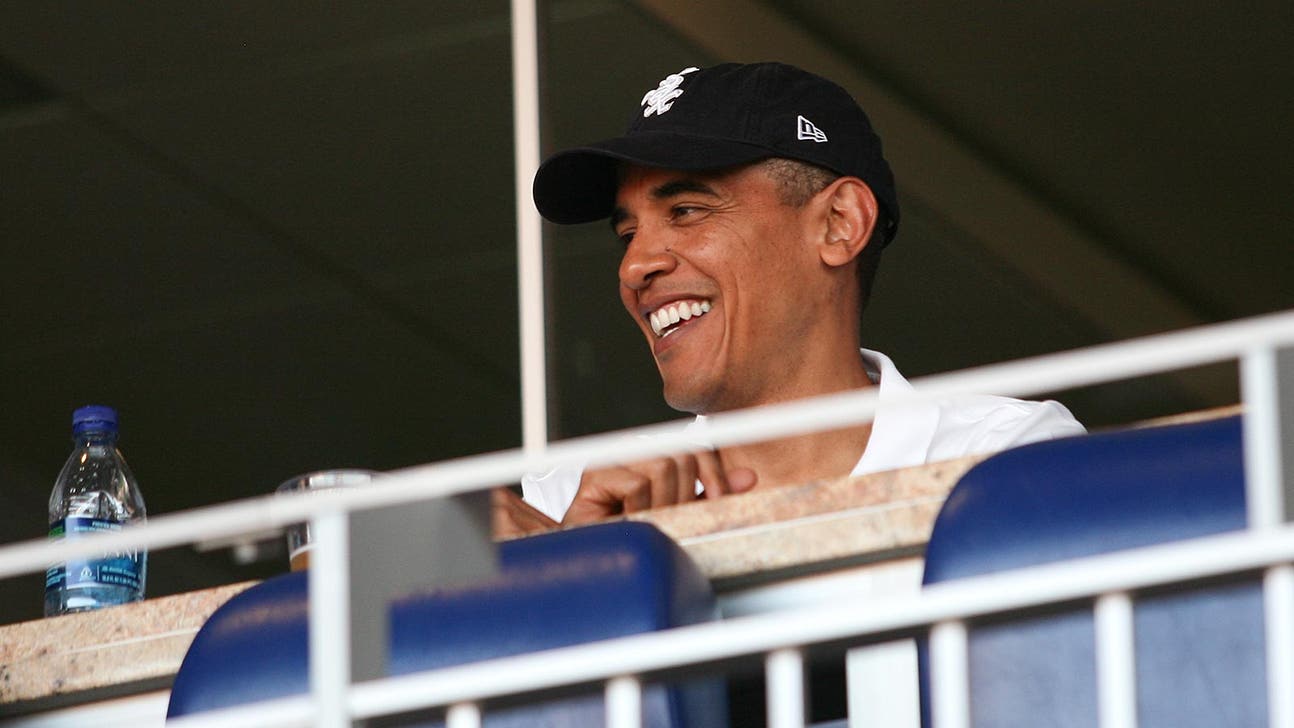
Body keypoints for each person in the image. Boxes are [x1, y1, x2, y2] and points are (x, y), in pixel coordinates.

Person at [494, 62, 1084, 535]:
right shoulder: (569, 499)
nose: (636, 265)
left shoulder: (1006, 458)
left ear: (838, 223)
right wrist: (575, 582)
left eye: (687, 211)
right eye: (627, 235)